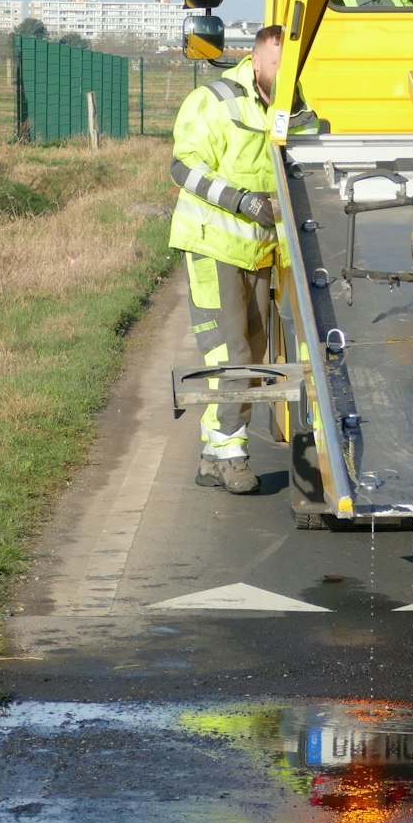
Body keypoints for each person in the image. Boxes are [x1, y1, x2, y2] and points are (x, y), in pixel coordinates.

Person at [167, 26, 286, 493]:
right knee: (231, 356)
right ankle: (232, 455)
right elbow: (184, 166)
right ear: (256, 60)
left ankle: (212, 456)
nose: (282, 71)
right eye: (276, 61)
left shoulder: (286, 105)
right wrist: (241, 201)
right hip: (212, 244)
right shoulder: (214, 100)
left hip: (257, 250)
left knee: (253, 358)